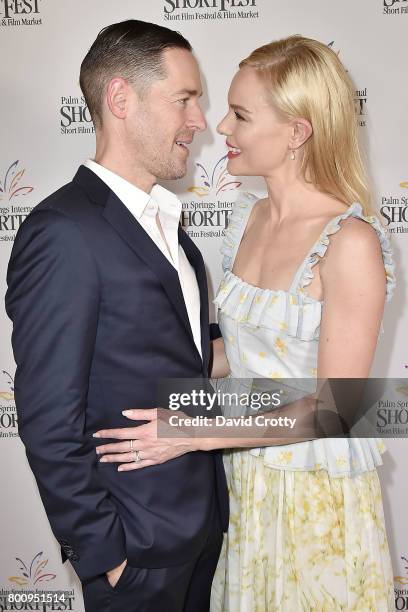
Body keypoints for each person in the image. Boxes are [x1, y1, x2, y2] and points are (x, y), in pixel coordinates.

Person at [95, 36, 396, 610]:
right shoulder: (245, 220)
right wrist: (126, 386)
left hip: (310, 497)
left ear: (297, 132)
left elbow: (337, 409)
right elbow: (240, 358)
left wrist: (184, 433)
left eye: (241, 114)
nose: (218, 128)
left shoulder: (351, 242)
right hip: (240, 485)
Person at [5, 19, 229, 612]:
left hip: (202, 537)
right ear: (120, 98)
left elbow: (196, 372)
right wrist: (106, 556)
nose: (199, 121)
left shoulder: (175, 235)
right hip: (136, 556)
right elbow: (49, 419)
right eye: (184, 99)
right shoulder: (64, 233)